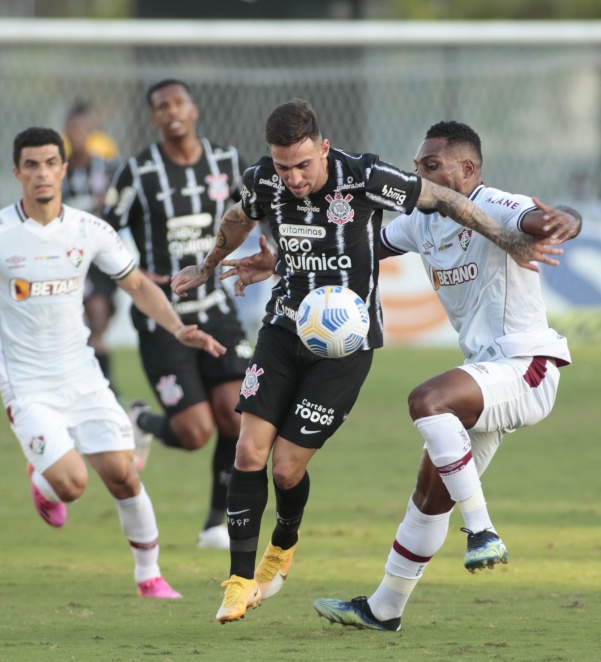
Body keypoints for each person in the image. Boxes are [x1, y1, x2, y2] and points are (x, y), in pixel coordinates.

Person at [170, 101, 567, 624]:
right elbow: (349, 241)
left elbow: (486, 209)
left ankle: (479, 531)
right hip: (319, 336)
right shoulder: (281, 186)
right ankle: (370, 606)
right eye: (282, 166)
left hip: (500, 361)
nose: (292, 177)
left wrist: (533, 231)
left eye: (303, 165)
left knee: (389, 419)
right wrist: (246, 261)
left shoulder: (427, 187)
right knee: (423, 494)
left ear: (324, 149)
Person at [0, 127, 226, 599]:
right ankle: (45, 481)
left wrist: (177, 328)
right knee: (72, 485)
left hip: (83, 375)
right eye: (31, 165)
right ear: (17, 173)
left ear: (63, 168)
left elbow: (136, 284)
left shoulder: (89, 230)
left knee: (123, 474)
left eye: (51, 162)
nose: (42, 173)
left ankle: (148, 576)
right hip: (27, 384)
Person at [307, 120, 581, 631]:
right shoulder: (423, 219)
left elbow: (543, 222)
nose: (421, 176)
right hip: (484, 375)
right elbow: (359, 244)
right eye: (417, 167)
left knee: (427, 399)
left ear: (468, 169)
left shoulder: (497, 203)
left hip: (525, 365)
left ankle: (482, 531)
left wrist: (567, 218)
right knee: (430, 492)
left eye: (431, 167)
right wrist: (275, 259)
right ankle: (383, 609)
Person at [102, 79, 251, 550]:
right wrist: (133, 275)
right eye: (161, 107)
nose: (172, 112)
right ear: (153, 118)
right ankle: (142, 421)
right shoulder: (138, 172)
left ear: (194, 108)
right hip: (162, 317)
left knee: (238, 415)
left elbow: (261, 210)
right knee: (194, 433)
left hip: (217, 308)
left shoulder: (227, 162)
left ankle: (215, 523)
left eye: (178, 103)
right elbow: (101, 234)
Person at [62, 101, 124, 393]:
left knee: (98, 316)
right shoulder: (57, 171)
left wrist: (108, 205)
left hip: (99, 257)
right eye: (72, 129)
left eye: (82, 129)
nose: (77, 135)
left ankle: (103, 386)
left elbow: (124, 203)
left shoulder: (108, 169)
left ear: (91, 132)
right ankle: (94, 386)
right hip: (66, 256)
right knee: (78, 323)